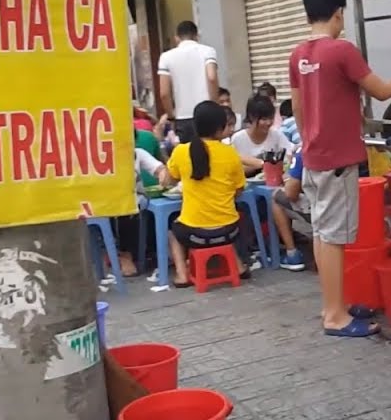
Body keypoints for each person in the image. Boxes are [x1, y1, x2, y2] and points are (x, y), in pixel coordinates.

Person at [289, 0, 391, 337]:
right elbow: (383, 90)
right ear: (338, 12)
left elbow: (299, 107)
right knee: (331, 236)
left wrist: (313, 136)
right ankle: (334, 315)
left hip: (314, 156)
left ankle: (335, 305)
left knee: (322, 232)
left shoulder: (298, 54)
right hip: (336, 159)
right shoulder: (341, 51)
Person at [163, 101, 251, 288]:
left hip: (194, 235)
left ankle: (181, 275)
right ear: (220, 129)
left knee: (173, 231)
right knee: (227, 216)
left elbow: (168, 180)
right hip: (230, 232)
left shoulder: (181, 152)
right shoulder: (230, 154)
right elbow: (239, 189)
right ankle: (239, 266)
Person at [157, 21, 219, 144]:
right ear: (197, 36)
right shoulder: (208, 51)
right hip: (206, 115)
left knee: (188, 156)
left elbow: (164, 93)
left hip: (183, 118)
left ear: (176, 38)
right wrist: (214, 106)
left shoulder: (166, 57)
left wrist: (171, 116)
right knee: (210, 154)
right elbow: (211, 77)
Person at [116, 125, 166, 276]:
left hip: (140, 200)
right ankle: (125, 255)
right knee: (123, 213)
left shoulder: (138, 154)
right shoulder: (105, 159)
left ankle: (156, 252)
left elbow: (159, 168)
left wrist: (163, 175)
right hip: (116, 204)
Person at [230, 95, 294, 175]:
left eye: (271, 118)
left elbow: (288, 157)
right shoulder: (237, 139)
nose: (268, 123)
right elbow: (234, 169)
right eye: (264, 119)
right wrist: (260, 164)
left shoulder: (276, 135)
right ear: (251, 117)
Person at [271, 149, 310, 271]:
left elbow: (291, 194)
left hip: (321, 210)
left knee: (276, 197)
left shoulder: (305, 151)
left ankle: (292, 254)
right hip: (354, 204)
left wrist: (288, 179)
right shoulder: (354, 144)